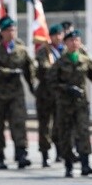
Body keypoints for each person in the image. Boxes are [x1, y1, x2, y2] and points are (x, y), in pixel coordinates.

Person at [46, 30, 92, 177]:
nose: (74, 43)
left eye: (76, 40)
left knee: (83, 132)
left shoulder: (85, 60)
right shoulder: (60, 62)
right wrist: (66, 88)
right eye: (71, 41)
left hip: (81, 104)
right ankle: (68, 165)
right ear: (66, 43)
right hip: (64, 104)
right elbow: (51, 82)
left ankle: (85, 164)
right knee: (65, 134)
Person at [0, 17, 36, 169]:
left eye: (13, 30)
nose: (11, 33)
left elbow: (29, 70)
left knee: (19, 123)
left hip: (16, 94)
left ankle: (21, 154)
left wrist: (33, 88)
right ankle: (0, 154)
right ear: (3, 32)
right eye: (8, 30)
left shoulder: (21, 50)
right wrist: (7, 72)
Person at [33, 24, 65, 167]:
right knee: (45, 125)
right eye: (55, 35)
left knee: (59, 124)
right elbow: (45, 68)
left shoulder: (65, 51)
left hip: (60, 94)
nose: (58, 37)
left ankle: (60, 151)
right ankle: (45, 153)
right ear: (50, 37)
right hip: (45, 94)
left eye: (60, 34)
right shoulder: (44, 51)